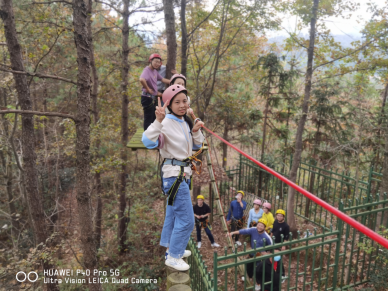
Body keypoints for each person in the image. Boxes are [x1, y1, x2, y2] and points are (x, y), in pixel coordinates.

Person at [142, 84, 205, 271]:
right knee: (187, 219)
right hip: (174, 177)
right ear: (169, 105)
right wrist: (158, 121)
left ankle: (174, 250)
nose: (182, 105)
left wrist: (195, 130)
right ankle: (174, 256)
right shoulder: (167, 123)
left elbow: (197, 145)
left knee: (179, 216)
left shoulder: (182, 122)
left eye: (184, 101)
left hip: (182, 175)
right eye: (177, 102)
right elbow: (147, 141)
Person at [227, 218, 273, 290]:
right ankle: (248, 276)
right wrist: (232, 233)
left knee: (259, 270)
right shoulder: (253, 229)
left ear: (264, 227)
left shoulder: (266, 237)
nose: (259, 227)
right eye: (259, 225)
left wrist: (267, 253)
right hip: (252, 252)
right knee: (248, 265)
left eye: (262, 226)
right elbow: (243, 231)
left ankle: (258, 284)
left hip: (260, 256)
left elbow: (271, 247)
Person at [139, 53, 170, 130]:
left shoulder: (154, 71)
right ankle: (147, 137)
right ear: (151, 61)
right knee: (148, 118)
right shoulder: (147, 70)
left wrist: (174, 81)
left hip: (152, 98)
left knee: (153, 118)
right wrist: (148, 89)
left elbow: (163, 79)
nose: (157, 64)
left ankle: (151, 135)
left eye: (159, 62)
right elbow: (141, 79)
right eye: (155, 61)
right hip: (147, 97)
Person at [271, 209, 289, 282]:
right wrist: (270, 238)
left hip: (279, 244)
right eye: (278, 215)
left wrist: (283, 246)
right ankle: (273, 271)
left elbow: (286, 237)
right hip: (273, 242)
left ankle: (282, 275)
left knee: (279, 260)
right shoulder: (275, 222)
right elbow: (272, 231)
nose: (279, 217)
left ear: (283, 217)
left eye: (281, 216)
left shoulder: (286, 226)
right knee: (272, 258)